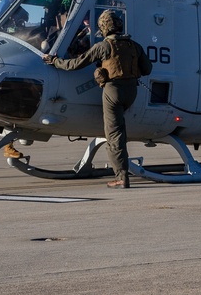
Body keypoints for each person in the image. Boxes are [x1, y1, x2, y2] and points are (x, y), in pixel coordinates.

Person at [43, 10, 147, 189]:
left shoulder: (103, 46)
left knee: (114, 136)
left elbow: (75, 64)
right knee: (119, 130)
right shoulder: (134, 46)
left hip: (112, 92)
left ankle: (121, 177)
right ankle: (121, 173)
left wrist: (54, 61)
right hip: (131, 92)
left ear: (104, 27)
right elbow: (147, 69)